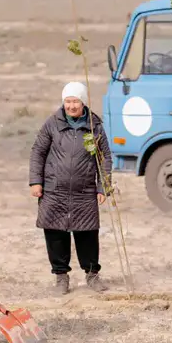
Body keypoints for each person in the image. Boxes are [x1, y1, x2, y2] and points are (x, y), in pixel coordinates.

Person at [29, 82, 113, 295]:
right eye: (68, 101)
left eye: (75, 101)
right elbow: (38, 152)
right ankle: (61, 276)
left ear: (83, 102)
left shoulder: (95, 126)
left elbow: (105, 158)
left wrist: (103, 187)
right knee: (55, 234)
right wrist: (35, 181)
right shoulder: (52, 124)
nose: (71, 106)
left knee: (87, 234)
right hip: (54, 190)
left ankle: (92, 274)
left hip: (84, 191)